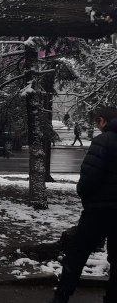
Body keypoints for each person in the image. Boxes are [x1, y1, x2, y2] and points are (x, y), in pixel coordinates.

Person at [49, 106, 117, 303]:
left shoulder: (103, 141)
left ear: (103, 121)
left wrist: (85, 196)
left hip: (98, 211)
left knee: (78, 253)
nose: (97, 125)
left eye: (98, 121)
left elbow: (89, 178)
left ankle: (62, 296)